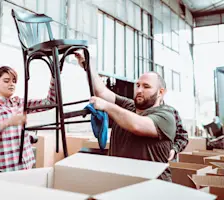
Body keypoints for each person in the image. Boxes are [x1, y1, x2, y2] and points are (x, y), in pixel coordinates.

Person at [75, 53, 176, 181]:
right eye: (138, 85)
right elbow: (102, 92)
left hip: (152, 188)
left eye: (146, 87)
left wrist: (107, 106)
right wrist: (87, 64)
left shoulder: (166, 116)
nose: (139, 90)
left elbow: (137, 125)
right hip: (122, 183)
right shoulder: (128, 105)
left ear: (161, 92)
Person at [0, 66, 56, 173]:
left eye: (14, 81)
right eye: (6, 81)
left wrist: (54, 76)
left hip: (26, 168)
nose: (11, 84)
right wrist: (8, 122)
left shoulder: (20, 103)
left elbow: (50, 103)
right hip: (3, 171)